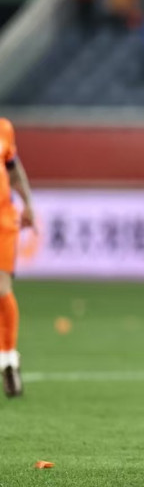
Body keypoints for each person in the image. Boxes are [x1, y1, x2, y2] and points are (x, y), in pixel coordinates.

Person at [0, 118, 36, 397]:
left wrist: (28, 203)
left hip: (3, 220)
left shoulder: (4, 129)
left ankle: (9, 358)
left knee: (1, 289)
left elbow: (13, 167)